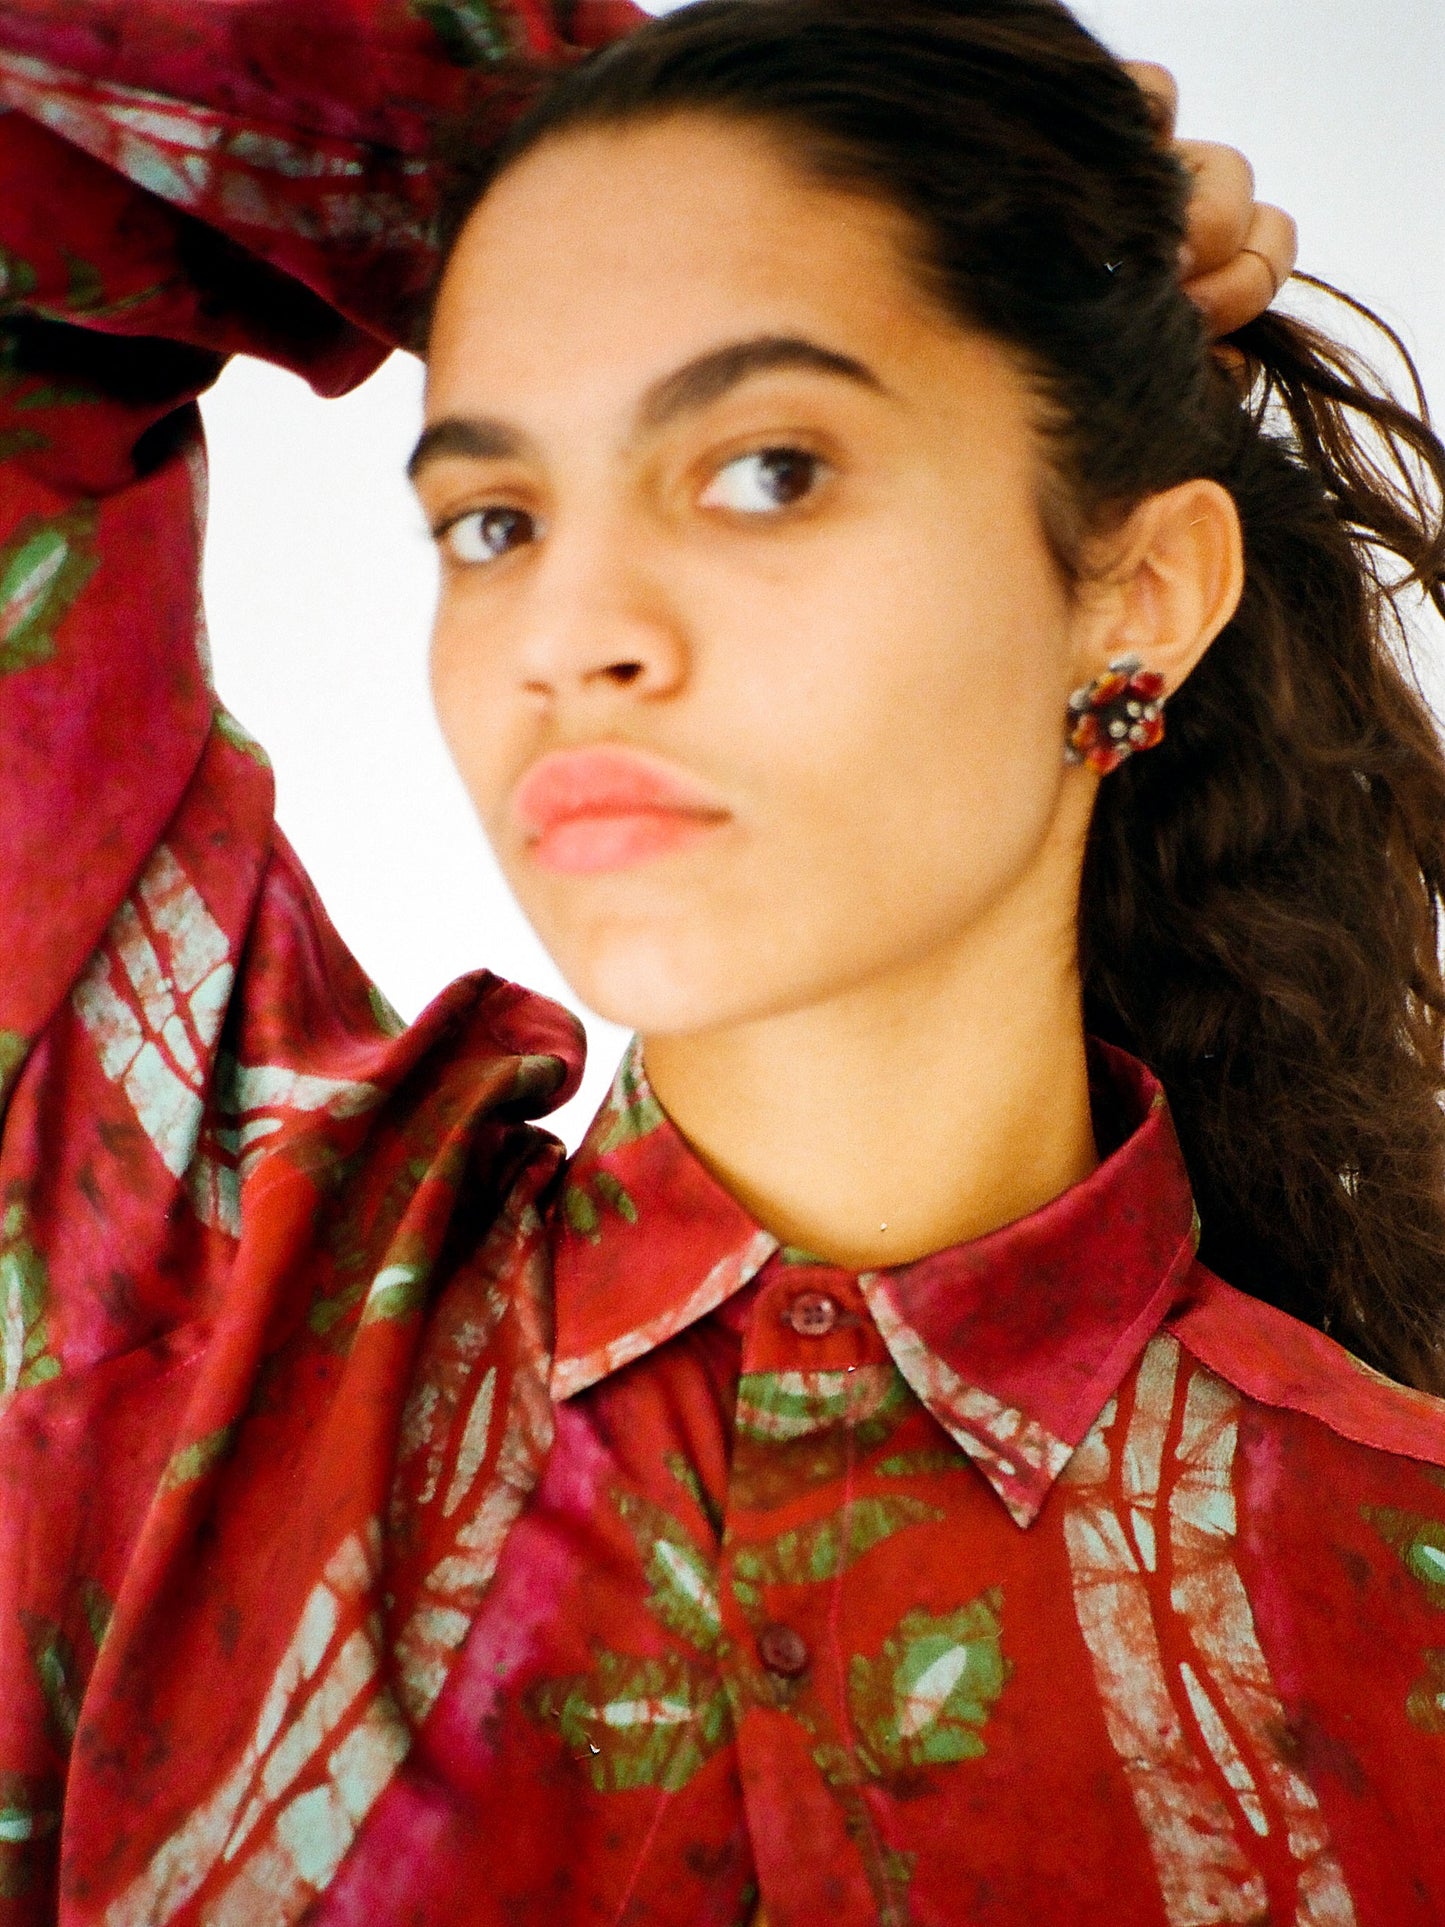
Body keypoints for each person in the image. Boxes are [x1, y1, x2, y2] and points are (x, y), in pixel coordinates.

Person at [1, 0, 1441, 1922]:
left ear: (1138, 593)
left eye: (765, 469)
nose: (570, 630)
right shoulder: (176, 1307)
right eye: (496, 517)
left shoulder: (1398, 1605)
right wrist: (551, 133)